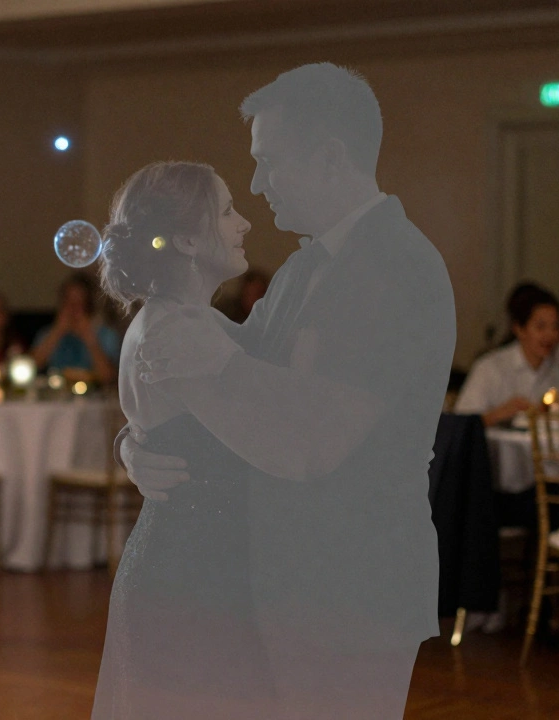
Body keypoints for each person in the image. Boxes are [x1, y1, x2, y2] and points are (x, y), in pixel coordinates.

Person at [117, 63, 455, 719]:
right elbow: (220, 377)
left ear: (329, 158)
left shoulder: (398, 266)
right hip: (284, 584)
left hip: (350, 584)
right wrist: (138, 439)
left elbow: (315, 439)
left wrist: (210, 370)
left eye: (269, 162)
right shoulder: (306, 268)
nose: (256, 183)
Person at [90, 162, 277, 718]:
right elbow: (276, 441)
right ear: (190, 240)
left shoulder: (183, 321)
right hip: (195, 574)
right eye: (226, 211)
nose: (243, 223)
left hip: (197, 561)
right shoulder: (178, 330)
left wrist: (129, 442)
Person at [455, 282, 559, 426]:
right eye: (540, 327)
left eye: (555, 327)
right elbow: (459, 426)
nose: (550, 335)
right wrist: (498, 414)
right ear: (519, 329)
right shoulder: (490, 367)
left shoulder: (555, 364)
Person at [29, 273, 118, 385]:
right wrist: (57, 332)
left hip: (94, 397)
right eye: (68, 302)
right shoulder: (47, 333)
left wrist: (89, 338)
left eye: (79, 302)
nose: (73, 308)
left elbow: (108, 377)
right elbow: (31, 367)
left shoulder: (107, 335)